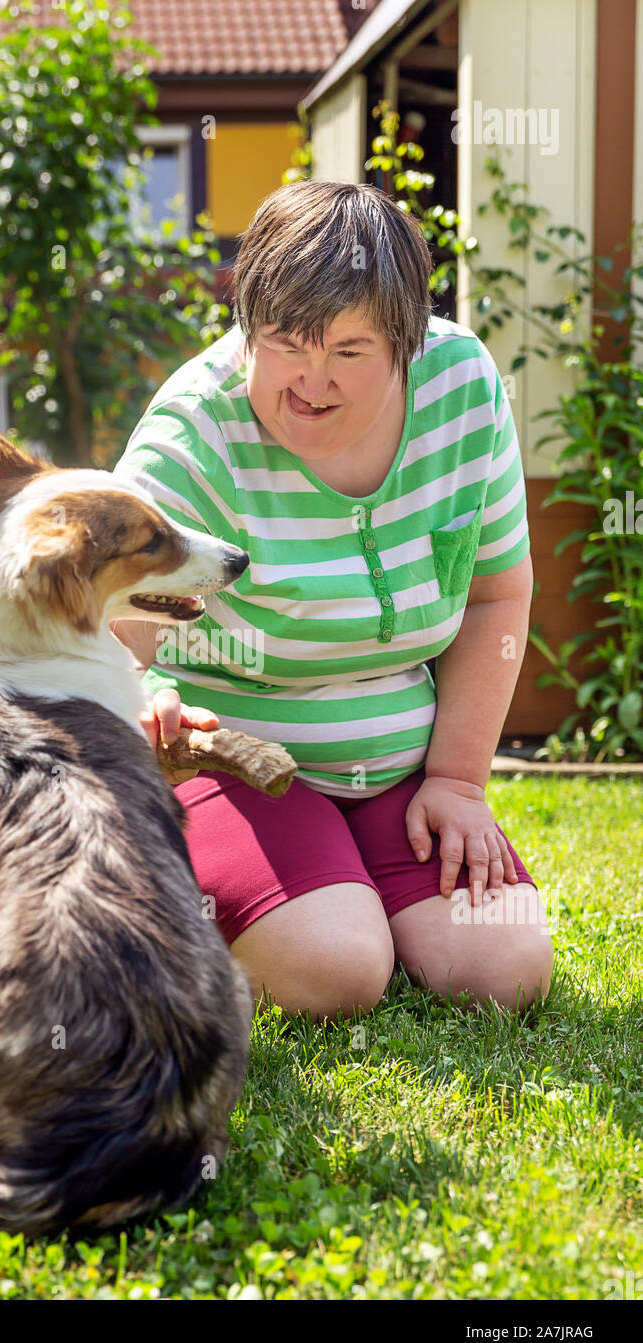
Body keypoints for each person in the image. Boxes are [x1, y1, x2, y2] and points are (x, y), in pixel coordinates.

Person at [110, 181, 552, 1020]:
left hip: (399, 767)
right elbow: (104, 635)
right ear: (247, 325)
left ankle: (340, 872)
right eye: (283, 343)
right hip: (234, 761)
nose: (311, 381)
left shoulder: (462, 388)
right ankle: (196, 893)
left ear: (406, 343)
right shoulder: (194, 433)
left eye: (350, 351)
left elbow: (497, 595)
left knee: (510, 968)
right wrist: (145, 701)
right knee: (339, 973)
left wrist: (457, 783)